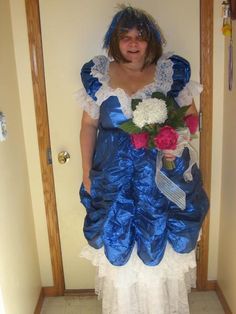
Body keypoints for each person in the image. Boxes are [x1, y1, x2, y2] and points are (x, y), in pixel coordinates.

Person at [78, 5, 209, 314]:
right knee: (118, 236)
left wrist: (173, 140)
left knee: (157, 237)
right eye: (125, 37)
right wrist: (86, 171)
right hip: (113, 175)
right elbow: (88, 126)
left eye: (140, 37)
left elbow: (191, 119)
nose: (133, 43)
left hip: (159, 175)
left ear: (151, 42)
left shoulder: (170, 74)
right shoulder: (99, 75)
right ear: (115, 40)